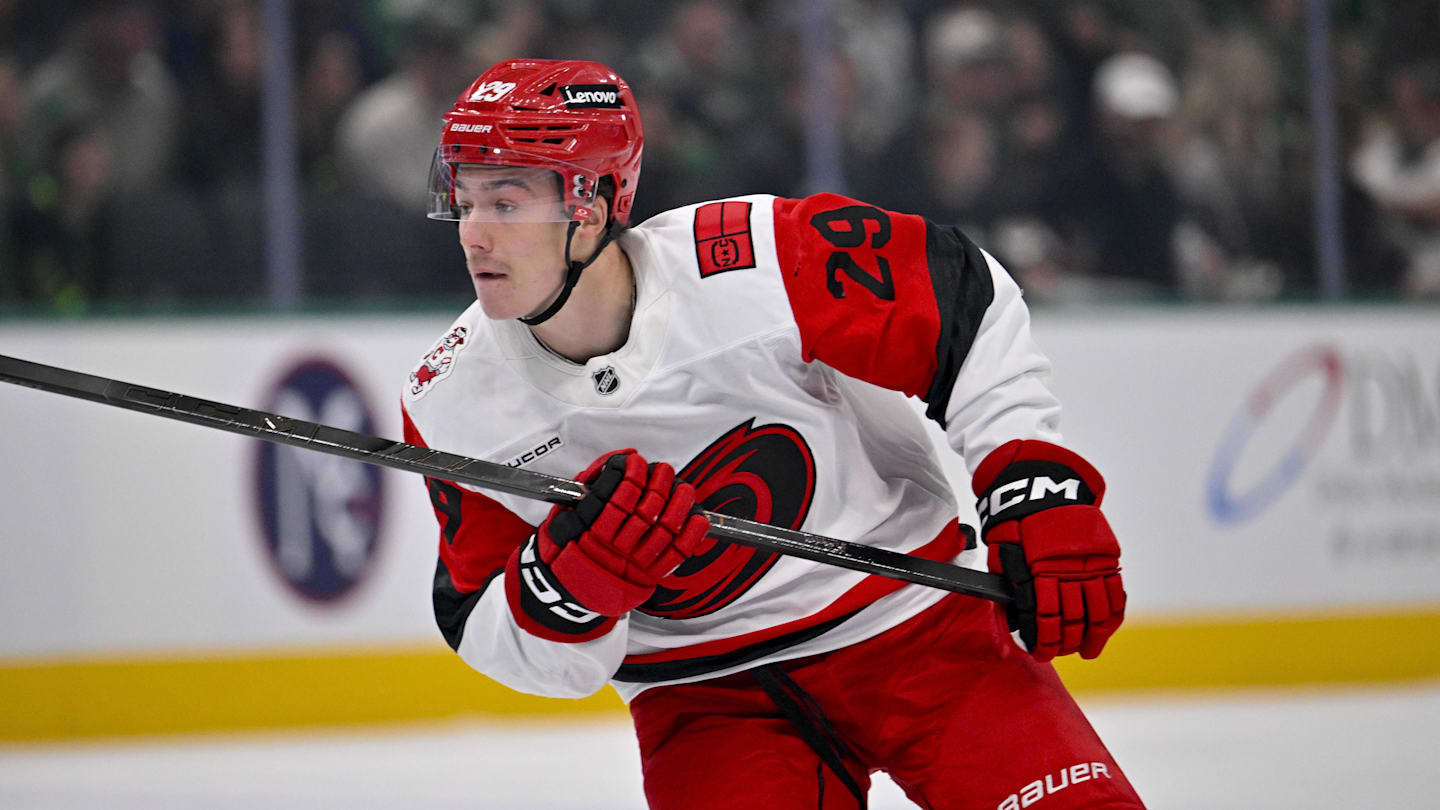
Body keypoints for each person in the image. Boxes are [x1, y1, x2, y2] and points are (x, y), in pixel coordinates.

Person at [401, 58, 1144, 810]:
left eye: (505, 203)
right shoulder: (452, 401)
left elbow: (961, 299)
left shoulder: (755, 259)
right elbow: (487, 627)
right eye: (463, 203)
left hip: (919, 628)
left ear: (589, 204)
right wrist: (569, 587)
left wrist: (1030, 483)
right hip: (707, 702)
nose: (474, 237)